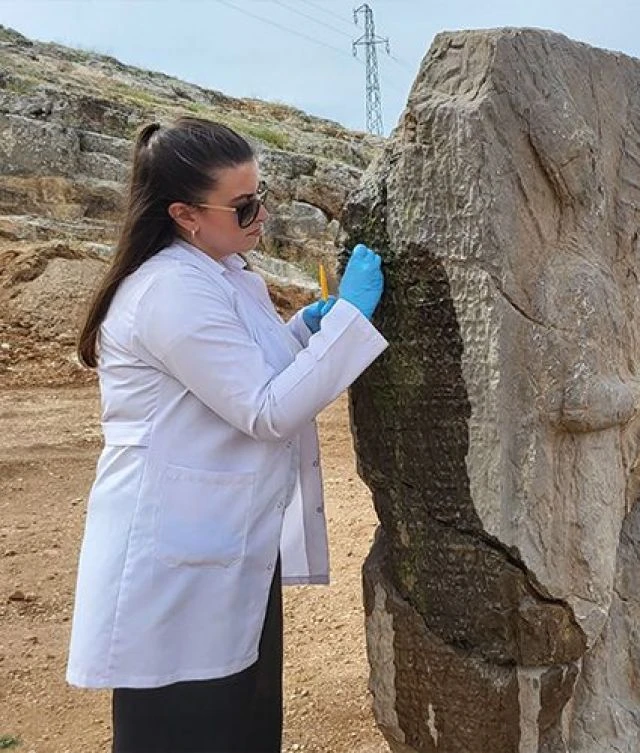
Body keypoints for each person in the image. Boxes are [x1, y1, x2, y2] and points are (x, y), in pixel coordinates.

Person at [66, 117, 389, 752]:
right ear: (185, 213)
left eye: (260, 196)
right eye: (244, 207)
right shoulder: (168, 290)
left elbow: (240, 370)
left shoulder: (222, 272)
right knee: (187, 729)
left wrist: (304, 331)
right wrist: (350, 318)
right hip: (174, 559)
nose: (261, 215)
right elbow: (265, 408)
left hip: (224, 541)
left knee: (240, 721)